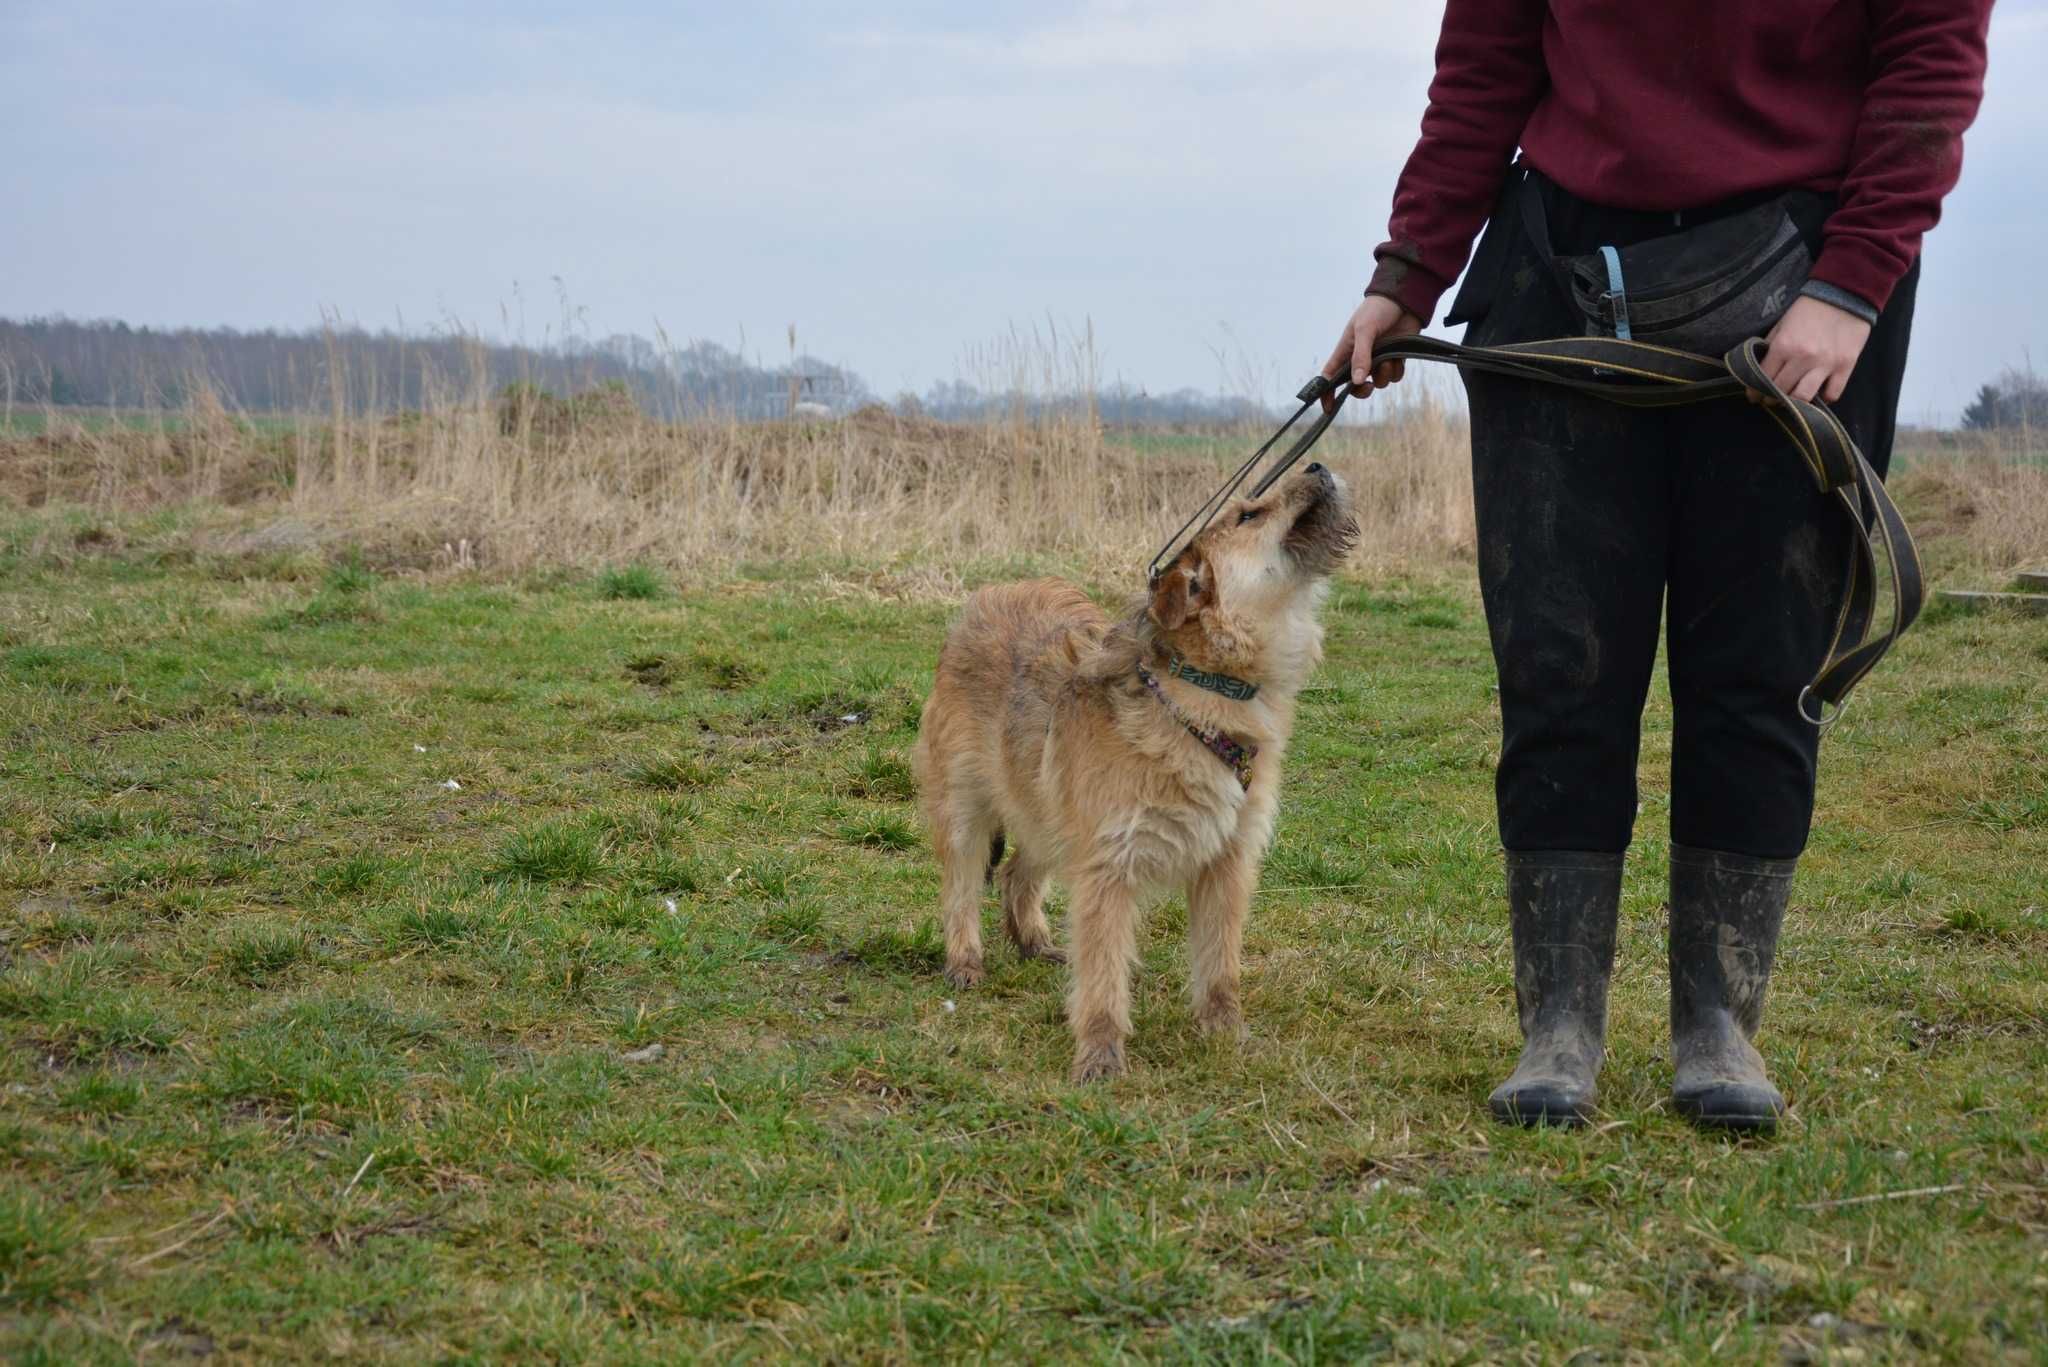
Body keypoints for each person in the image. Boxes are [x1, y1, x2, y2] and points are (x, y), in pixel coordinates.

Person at [1325, 3, 1994, 1131]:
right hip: (1559, 262)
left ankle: (1716, 1028)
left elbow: (1927, 65)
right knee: (1558, 664)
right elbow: (1485, 65)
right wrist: (1408, 268)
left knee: (1759, 669)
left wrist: (1850, 285)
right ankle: (1558, 1026)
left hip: (1803, 278)